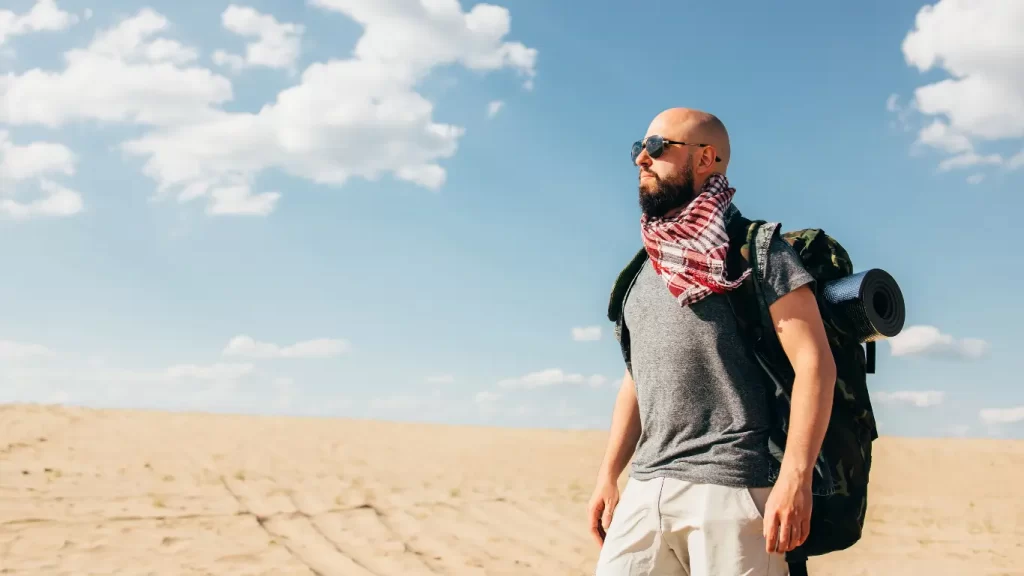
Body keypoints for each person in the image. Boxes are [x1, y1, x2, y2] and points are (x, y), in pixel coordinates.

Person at [589, 108, 836, 576]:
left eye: (657, 147)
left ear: (705, 158)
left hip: (735, 489)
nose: (642, 158)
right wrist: (609, 474)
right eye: (637, 148)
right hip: (646, 486)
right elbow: (637, 379)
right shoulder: (645, 268)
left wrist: (795, 478)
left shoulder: (757, 251)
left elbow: (814, 363)